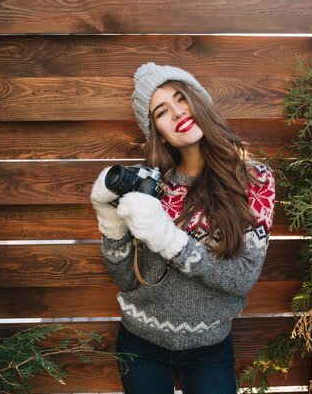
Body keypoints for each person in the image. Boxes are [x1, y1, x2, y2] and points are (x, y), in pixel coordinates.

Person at [90, 62, 275, 394]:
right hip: (139, 345)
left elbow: (242, 276)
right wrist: (109, 218)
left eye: (181, 98)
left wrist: (168, 239)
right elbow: (126, 279)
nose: (177, 113)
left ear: (199, 100)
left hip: (209, 350)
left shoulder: (254, 180)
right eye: (162, 111)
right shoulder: (151, 185)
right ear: (157, 131)